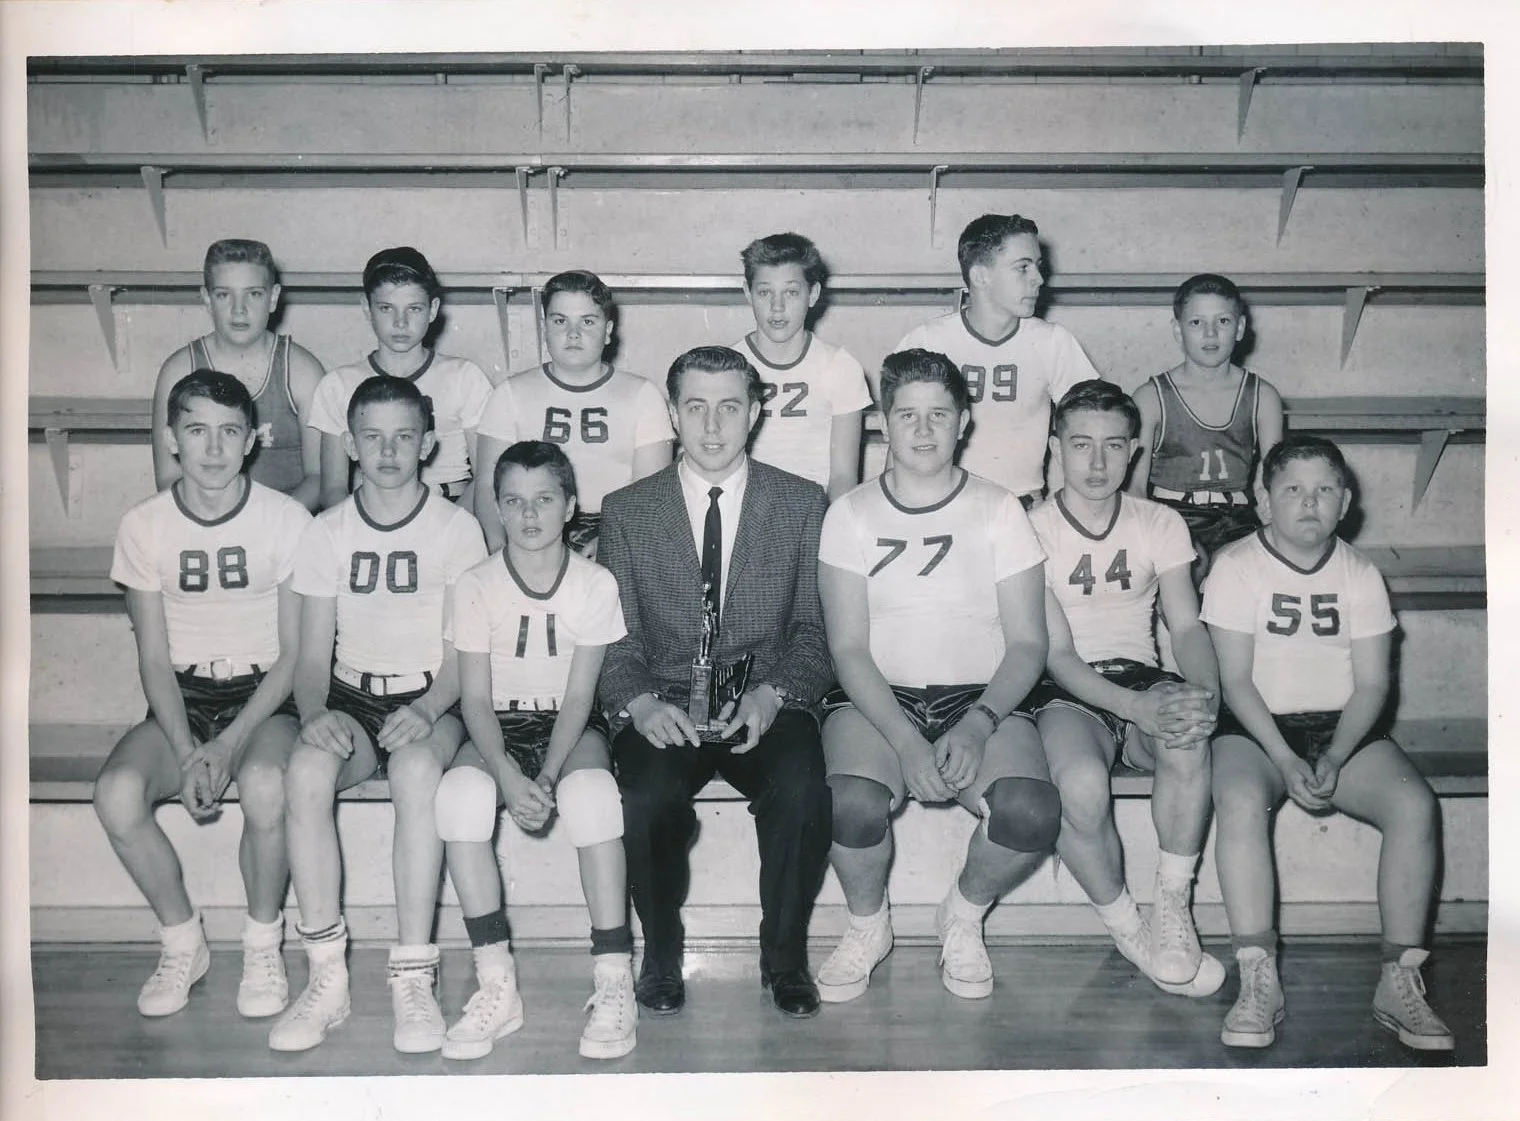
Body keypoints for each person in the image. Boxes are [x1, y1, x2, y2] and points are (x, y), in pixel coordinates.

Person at [813, 348, 1056, 1004]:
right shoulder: (851, 514)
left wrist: (979, 725)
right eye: (907, 415)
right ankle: (868, 924)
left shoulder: (1000, 509)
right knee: (848, 803)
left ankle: (963, 913)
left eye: (939, 415)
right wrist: (905, 740)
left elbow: (1029, 642)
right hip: (877, 699)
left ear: (964, 421)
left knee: (1030, 811)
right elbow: (848, 648)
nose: (923, 430)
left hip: (978, 696)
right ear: (883, 425)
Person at [598, 345, 834, 1020]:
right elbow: (615, 633)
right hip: (664, 699)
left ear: (755, 412)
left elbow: (815, 634)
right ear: (672, 412)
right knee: (644, 794)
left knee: (800, 785)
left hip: (765, 697)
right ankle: (662, 951)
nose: (711, 424)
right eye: (694, 406)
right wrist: (638, 700)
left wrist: (774, 693)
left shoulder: (800, 503)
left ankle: (785, 958)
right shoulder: (626, 510)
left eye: (729, 406)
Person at [1201, 434, 1452, 1052]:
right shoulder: (1236, 566)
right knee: (1237, 801)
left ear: (1345, 503)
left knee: (1414, 806)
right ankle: (1259, 973)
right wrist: (1287, 760)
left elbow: (1371, 685)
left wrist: (1335, 755)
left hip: (1340, 725)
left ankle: (1399, 977)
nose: (1308, 503)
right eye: (1292, 490)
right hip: (1257, 726)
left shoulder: (1361, 574)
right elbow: (1234, 680)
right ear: (1264, 501)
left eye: (1324, 491)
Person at [269, 375, 488, 1054]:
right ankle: (326, 976)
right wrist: (312, 712)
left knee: (418, 772)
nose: (388, 449)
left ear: (427, 443)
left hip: (433, 694)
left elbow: (465, 655)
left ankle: (413, 972)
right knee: (305, 769)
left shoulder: (457, 527)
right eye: (372, 436)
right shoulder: (325, 530)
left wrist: (426, 706)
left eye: (403, 436)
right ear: (353, 444)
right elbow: (309, 657)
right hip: (353, 697)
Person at [96, 369, 310, 1020]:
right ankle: (183, 938)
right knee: (116, 793)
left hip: (265, 692)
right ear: (171, 439)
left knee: (269, 785)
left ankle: (262, 941)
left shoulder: (286, 518)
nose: (213, 449)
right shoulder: (144, 524)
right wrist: (191, 749)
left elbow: (295, 654)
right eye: (196, 431)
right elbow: (154, 656)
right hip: (183, 693)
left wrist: (227, 744)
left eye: (228, 432)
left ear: (252, 440)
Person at [435, 440, 637, 1061]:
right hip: (497, 724)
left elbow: (580, 698)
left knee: (595, 797)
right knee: (461, 796)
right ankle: (497, 982)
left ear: (570, 505)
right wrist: (504, 772)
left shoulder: (595, 583)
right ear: (496, 508)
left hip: (568, 728)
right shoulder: (474, 584)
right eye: (514, 502)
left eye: (544, 499)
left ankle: (612, 977)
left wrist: (545, 776)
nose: (529, 515)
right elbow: (473, 700)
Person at [1025, 379, 1224, 999]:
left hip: (1140, 672)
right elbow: (1056, 654)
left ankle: (1172, 902)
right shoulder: (1030, 527)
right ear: (1054, 445)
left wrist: (1202, 696)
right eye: (1081, 444)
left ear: (1135, 451)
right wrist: (1137, 707)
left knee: (1187, 739)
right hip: (1064, 687)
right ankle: (1124, 924)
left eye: (1114, 446)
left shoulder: (1157, 521)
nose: (1097, 462)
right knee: (1079, 784)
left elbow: (1186, 624)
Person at [893, 214, 1099, 505]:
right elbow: (899, 445)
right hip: (941, 507)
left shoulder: (1054, 342)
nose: (1039, 279)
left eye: (1038, 266)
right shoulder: (926, 340)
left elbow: (1094, 430)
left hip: (1023, 506)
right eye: (1023, 267)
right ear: (980, 277)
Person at [473, 270, 672, 556]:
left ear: (608, 330)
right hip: (530, 526)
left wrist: (613, 543)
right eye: (560, 321)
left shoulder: (642, 395)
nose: (573, 334)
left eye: (587, 322)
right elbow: (486, 484)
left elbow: (652, 494)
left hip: (615, 530)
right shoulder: (509, 393)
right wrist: (499, 546)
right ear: (544, 328)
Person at [307, 246, 494, 509]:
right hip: (371, 512)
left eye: (414, 309)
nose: (400, 322)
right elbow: (334, 489)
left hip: (452, 506)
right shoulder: (338, 385)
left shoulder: (465, 377)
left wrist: (449, 526)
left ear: (432, 310)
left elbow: (485, 480)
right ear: (366, 308)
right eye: (386, 308)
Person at [1130, 273, 1285, 581]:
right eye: (1197, 323)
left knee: (1251, 574)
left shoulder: (1263, 397)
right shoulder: (1151, 397)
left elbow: (1272, 482)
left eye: (1223, 322)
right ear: (1178, 330)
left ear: (1240, 328)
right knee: (1190, 567)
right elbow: (1135, 489)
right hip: (1172, 516)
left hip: (1239, 519)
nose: (1211, 333)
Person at [150, 239, 325, 510]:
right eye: (224, 295)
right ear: (207, 299)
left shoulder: (302, 371)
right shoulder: (179, 370)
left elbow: (319, 477)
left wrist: (269, 527)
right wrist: (222, 525)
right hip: (206, 522)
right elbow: (168, 478)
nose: (239, 309)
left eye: (253, 294)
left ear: (273, 298)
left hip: (285, 527)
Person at [733, 232, 871, 500]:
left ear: (813, 294)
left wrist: (822, 531)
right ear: (747, 293)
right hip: (745, 513)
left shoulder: (839, 366)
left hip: (812, 512)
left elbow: (843, 476)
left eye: (791, 292)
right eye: (764, 292)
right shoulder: (728, 367)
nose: (777, 307)